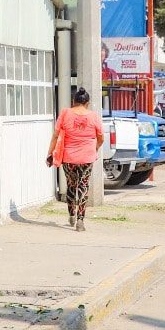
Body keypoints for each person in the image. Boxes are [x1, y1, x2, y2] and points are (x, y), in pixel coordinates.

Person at [48, 87, 104, 230]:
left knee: (71, 185)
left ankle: (72, 214)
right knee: (83, 186)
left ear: (74, 101)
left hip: (69, 157)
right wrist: (95, 148)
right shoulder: (93, 116)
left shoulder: (65, 113)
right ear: (88, 103)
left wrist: (50, 153)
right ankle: (80, 220)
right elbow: (101, 137)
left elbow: (55, 135)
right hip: (87, 156)